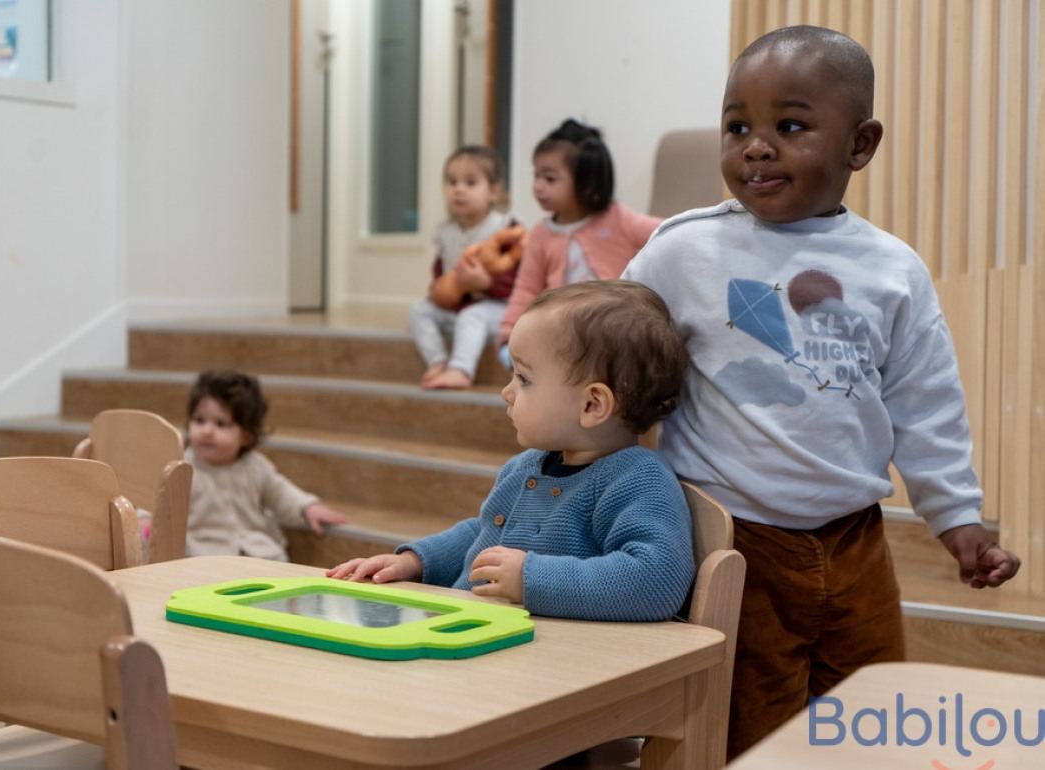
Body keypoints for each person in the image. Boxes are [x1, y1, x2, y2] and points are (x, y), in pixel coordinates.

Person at [621, 25, 1021, 759]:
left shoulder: (892, 269)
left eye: (791, 126)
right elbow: (613, 347)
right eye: (737, 126)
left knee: (870, 709)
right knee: (750, 722)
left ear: (859, 145)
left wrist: (958, 517)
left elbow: (925, 399)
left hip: (855, 536)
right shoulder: (683, 250)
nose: (757, 146)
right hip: (737, 536)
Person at [329, 280, 695, 622]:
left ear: (592, 405)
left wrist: (531, 578)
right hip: (475, 635)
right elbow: (482, 534)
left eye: (523, 378)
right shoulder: (526, 468)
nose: (507, 392)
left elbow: (657, 579)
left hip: (544, 666)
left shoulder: (637, 480)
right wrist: (416, 561)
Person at [496, 119, 662, 367]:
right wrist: (509, 332)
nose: (538, 186)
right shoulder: (541, 233)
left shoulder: (618, 219)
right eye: (537, 176)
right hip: (561, 330)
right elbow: (526, 289)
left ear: (588, 184)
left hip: (614, 327)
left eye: (550, 179)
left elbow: (666, 233)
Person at [184, 369, 348, 559]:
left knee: (276, 560)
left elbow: (280, 492)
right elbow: (160, 501)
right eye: (199, 420)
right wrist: (148, 519)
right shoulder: (183, 467)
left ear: (246, 436)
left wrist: (307, 507)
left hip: (253, 549)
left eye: (221, 424)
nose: (207, 431)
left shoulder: (255, 466)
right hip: (204, 551)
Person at [410, 145, 522, 390]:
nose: (458, 189)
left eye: (470, 183)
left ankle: (460, 369)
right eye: (452, 182)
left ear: (492, 191)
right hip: (459, 308)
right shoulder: (445, 231)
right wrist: (439, 289)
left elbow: (518, 281)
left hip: (496, 309)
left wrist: (487, 284)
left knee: (473, 315)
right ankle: (437, 361)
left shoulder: (504, 228)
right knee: (420, 309)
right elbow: (441, 271)